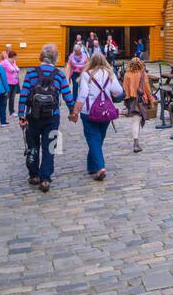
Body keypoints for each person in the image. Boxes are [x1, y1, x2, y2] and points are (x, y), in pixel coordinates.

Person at [19, 44, 74, 193]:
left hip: (32, 116)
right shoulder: (59, 74)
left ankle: (34, 175)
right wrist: (72, 112)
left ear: (41, 56)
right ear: (55, 58)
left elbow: (23, 95)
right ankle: (45, 179)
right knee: (50, 147)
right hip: (52, 116)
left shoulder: (31, 72)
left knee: (33, 146)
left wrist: (21, 115)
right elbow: (67, 95)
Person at [71, 52, 122, 180]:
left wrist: (75, 112)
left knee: (93, 139)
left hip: (89, 111)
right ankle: (92, 166)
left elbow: (82, 95)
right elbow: (118, 91)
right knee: (98, 139)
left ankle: (100, 167)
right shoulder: (110, 73)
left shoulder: (86, 75)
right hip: (105, 111)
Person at [122, 57, 152, 153]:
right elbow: (147, 89)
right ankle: (136, 143)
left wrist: (126, 101)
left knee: (135, 120)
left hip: (131, 99)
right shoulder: (143, 74)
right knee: (136, 120)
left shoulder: (127, 74)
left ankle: (136, 141)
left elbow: (125, 89)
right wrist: (151, 101)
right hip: (140, 100)